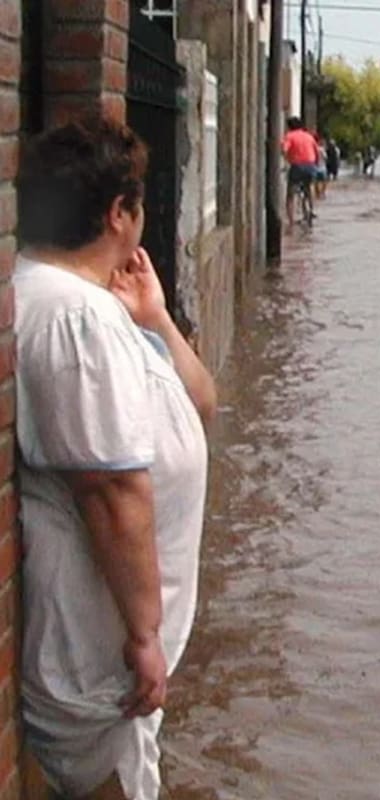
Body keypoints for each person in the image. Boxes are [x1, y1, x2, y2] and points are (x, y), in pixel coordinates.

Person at [13, 115, 216, 799]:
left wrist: (154, 317)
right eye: (139, 206)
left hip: (112, 665)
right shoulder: (75, 318)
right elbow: (110, 490)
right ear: (117, 215)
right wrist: (143, 634)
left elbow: (202, 407)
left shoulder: (102, 308)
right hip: (100, 664)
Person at [282, 116, 320, 229]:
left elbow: (284, 150)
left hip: (297, 166)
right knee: (308, 189)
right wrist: (315, 165)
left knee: (290, 194)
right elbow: (316, 152)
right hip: (311, 165)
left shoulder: (290, 136)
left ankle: (291, 222)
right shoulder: (309, 136)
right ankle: (311, 210)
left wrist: (287, 160)